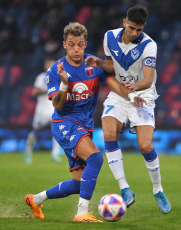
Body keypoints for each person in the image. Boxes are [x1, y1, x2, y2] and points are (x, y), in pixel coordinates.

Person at [24, 22, 145, 222]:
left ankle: (36, 200)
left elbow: (117, 86)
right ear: (64, 45)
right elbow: (59, 106)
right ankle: (81, 212)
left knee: (79, 184)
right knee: (96, 158)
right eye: (71, 44)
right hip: (64, 123)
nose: (76, 49)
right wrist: (64, 83)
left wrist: (132, 98)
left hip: (84, 126)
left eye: (80, 44)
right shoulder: (56, 70)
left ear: (85, 44)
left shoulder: (93, 66)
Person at [85, 6, 171, 214]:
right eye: (131, 28)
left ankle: (158, 190)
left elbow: (149, 79)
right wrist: (98, 62)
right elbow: (111, 67)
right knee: (108, 133)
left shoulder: (149, 45)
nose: (134, 33)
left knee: (145, 145)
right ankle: (124, 188)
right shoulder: (109, 37)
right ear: (125, 22)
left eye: (138, 30)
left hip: (142, 96)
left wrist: (135, 88)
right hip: (120, 95)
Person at [24, 58, 62, 164]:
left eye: (52, 64)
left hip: (53, 108)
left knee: (57, 129)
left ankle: (55, 154)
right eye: (49, 64)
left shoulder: (59, 76)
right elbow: (34, 92)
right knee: (36, 131)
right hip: (41, 110)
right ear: (45, 66)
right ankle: (28, 152)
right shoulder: (41, 77)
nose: (51, 66)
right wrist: (46, 89)